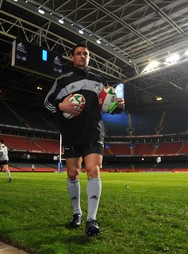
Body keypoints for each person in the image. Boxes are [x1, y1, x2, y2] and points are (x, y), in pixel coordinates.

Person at [44, 43, 125, 236]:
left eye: (86, 54)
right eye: (78, 54)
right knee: (72, 174)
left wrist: (119, 105)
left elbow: (110, 106)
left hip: (93, 131)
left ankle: (92, 220)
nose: (82, 56)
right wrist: (61, 106)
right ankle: (77, 213)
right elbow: (47, 103)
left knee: (93, 170)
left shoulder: (100, 80)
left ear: (89, 58)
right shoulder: (63, 80)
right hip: (71, 133)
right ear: (72, 57)